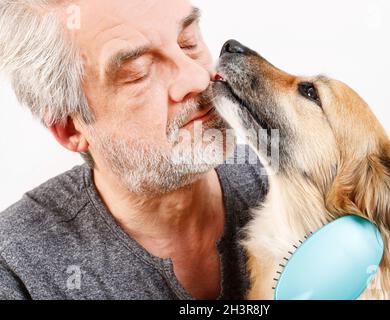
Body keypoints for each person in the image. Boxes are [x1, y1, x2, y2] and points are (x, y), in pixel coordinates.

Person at [0, 0, 267, 300]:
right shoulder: (17, 269)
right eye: (139, 72)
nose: (197, 78)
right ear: (70, 128)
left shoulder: (304, 187)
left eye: (188, 43)